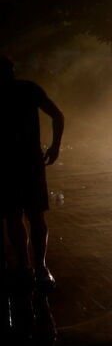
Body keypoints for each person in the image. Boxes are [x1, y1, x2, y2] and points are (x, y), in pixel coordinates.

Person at [0, 55, 64, 291]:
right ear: (13, 70)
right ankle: (38, 266)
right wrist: (55, 146)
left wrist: (56, 146)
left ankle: (28, 266)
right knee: (33, 214)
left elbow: (57, 115)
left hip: (8, 163)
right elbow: (57, 115)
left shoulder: (26, 90)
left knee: (14, 215)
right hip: (28, 161)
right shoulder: (28, 89)